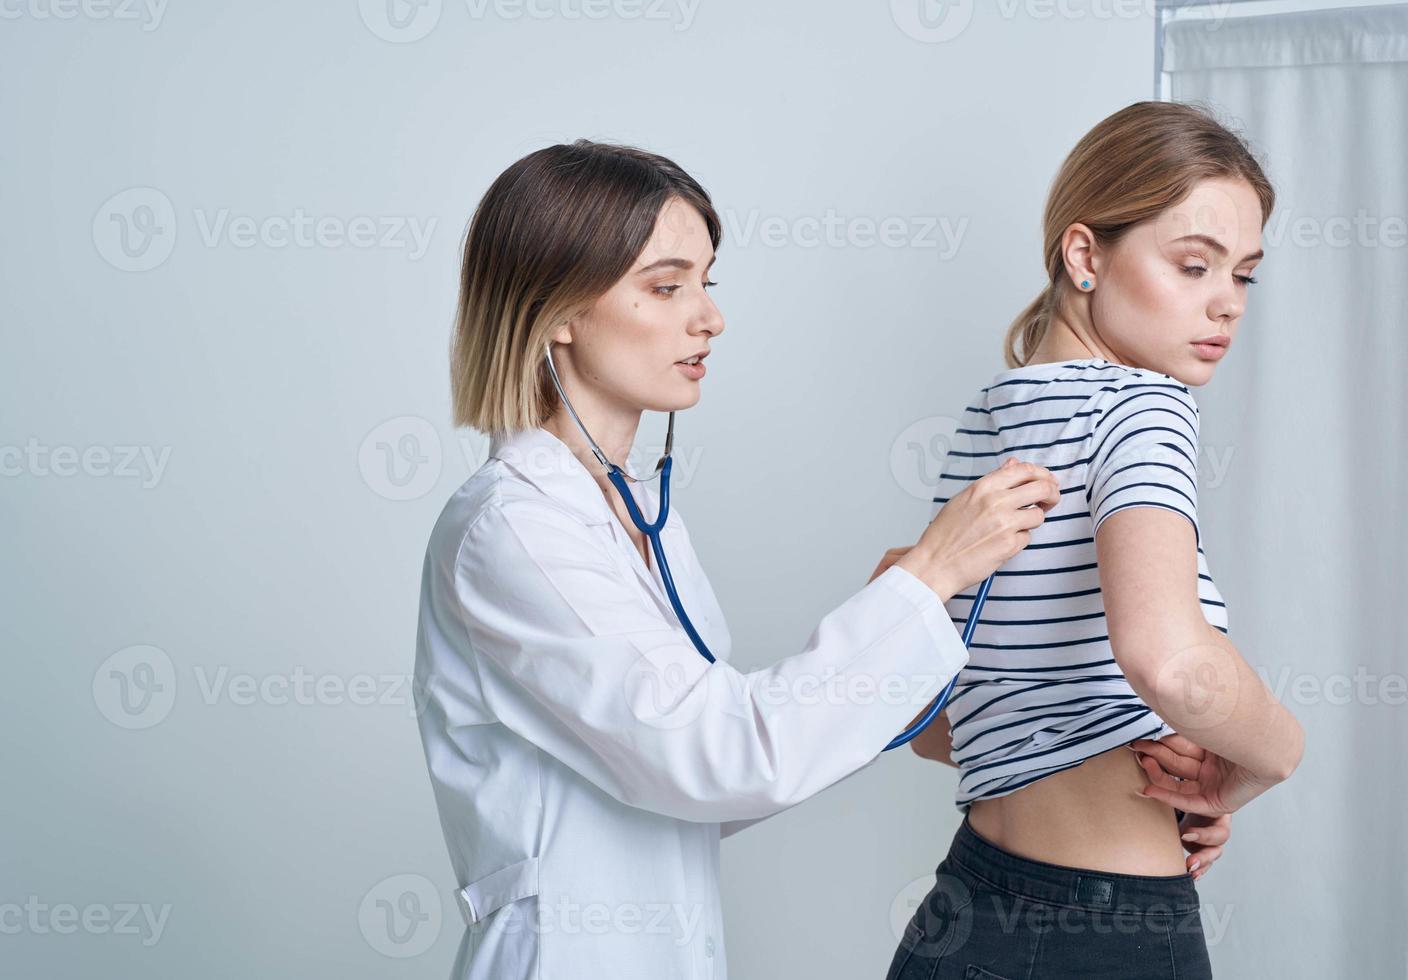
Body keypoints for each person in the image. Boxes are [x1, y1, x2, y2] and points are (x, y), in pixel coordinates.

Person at [413, 139, 1063, 980]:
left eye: (706, 283)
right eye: (666, 285)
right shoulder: (510, 530)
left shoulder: (638, 513)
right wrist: (922, 581)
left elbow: (703, 778)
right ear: (558, 310)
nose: (708, 317)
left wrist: (885, 636)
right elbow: (719, 758)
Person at [886, 102, 1306, 980]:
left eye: (1244, 275)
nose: (1224, 304)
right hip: (1103, 928)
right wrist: (1262, 759)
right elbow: (1167, 659)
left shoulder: (989, 420)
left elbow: (935, 725)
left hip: (962, 910)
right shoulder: (1144, 409)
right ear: (1084, 255)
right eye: (1193, 265)